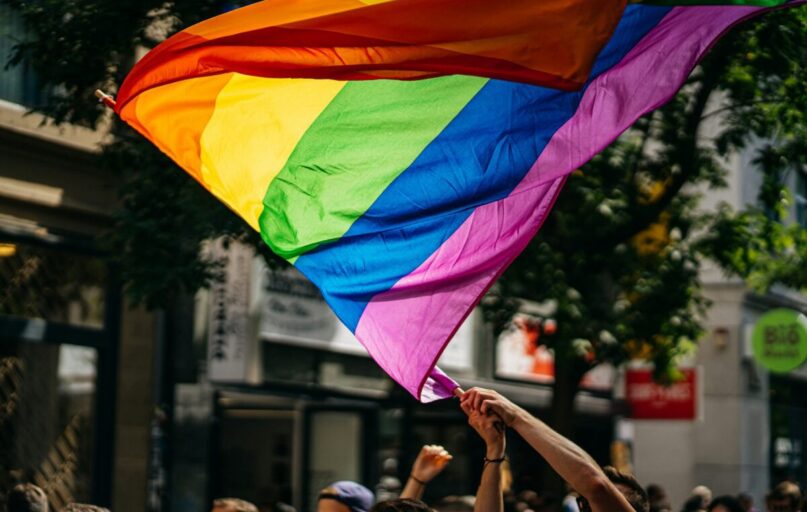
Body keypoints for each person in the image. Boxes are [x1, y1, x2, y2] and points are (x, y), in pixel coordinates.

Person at [460, 387, 644, 512]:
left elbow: (596, 486)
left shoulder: (598, 490)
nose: (593, 506)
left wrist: (515, 417)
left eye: (609, 503)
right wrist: (495, 449)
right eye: (584, 503)